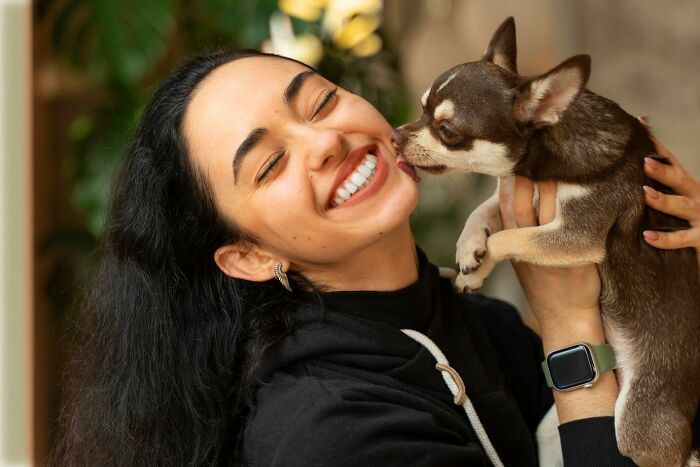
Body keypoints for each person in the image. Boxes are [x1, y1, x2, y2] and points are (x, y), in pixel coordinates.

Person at [50, 50, 700, 466]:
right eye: (271, 163)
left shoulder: (474, 323)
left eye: (322, 101)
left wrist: (674, 264)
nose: (327, 140)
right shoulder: (329, 431)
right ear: (248, 255)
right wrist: (569, 333)